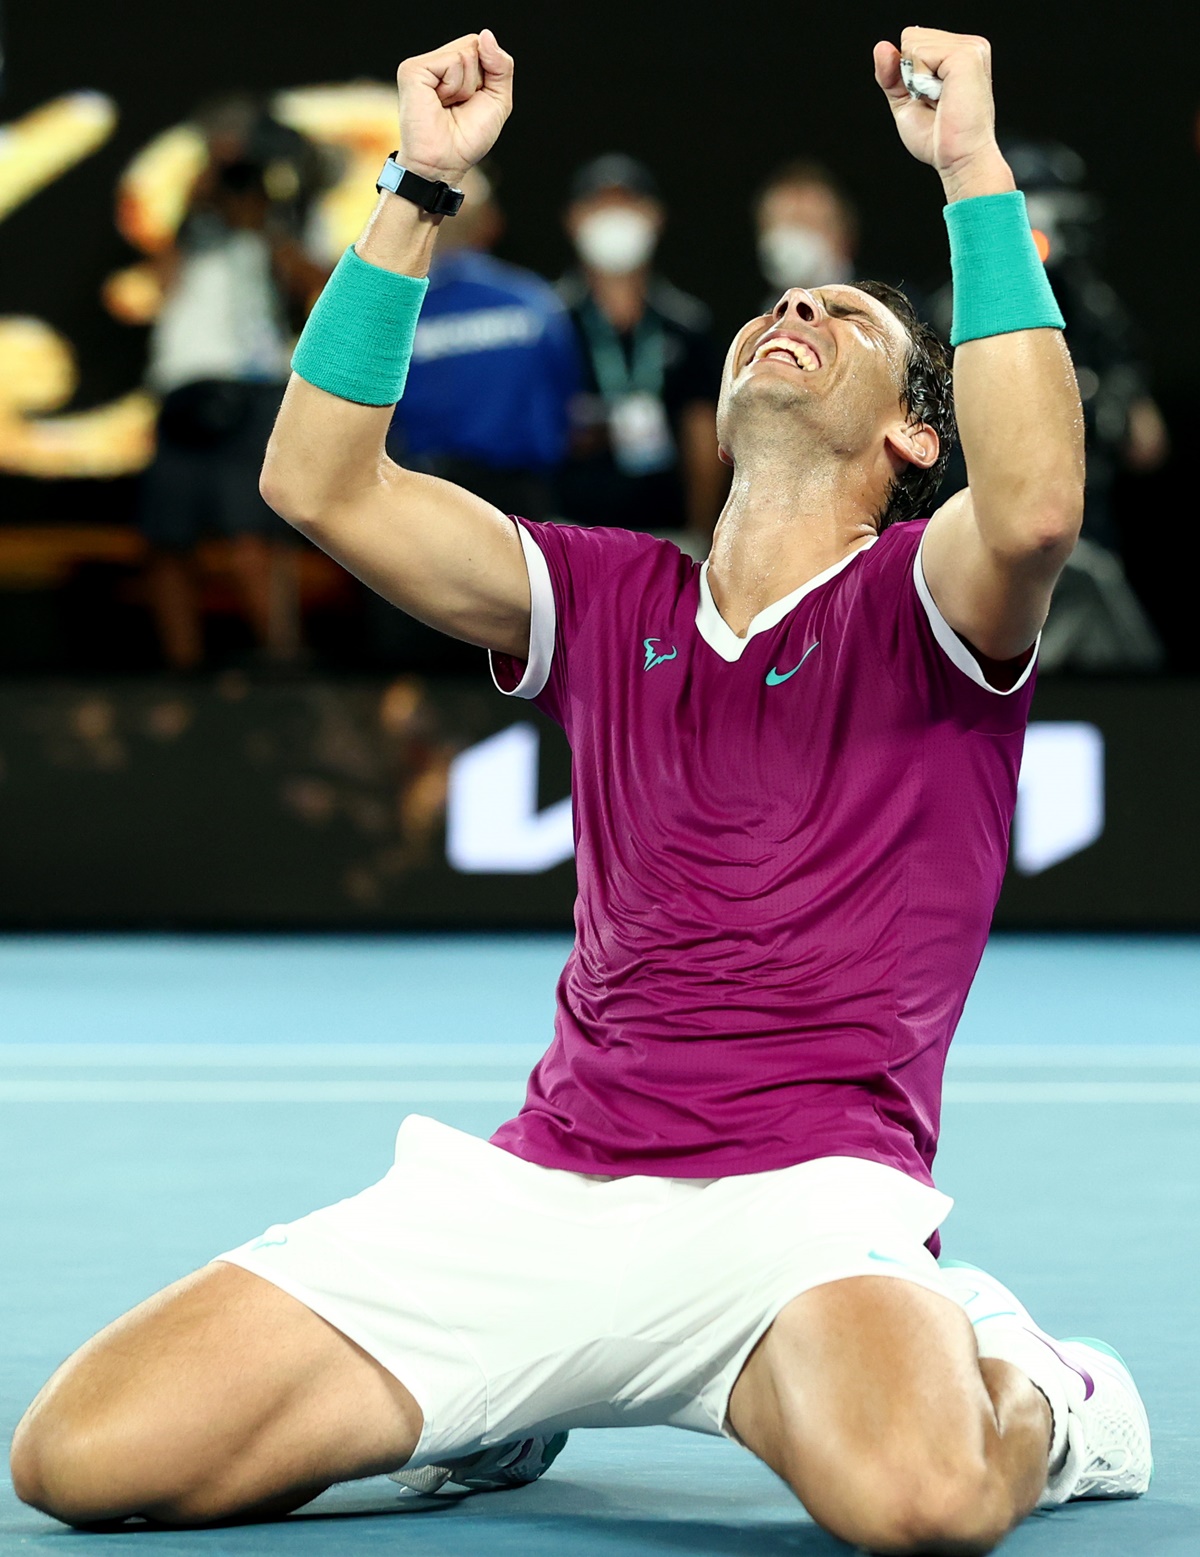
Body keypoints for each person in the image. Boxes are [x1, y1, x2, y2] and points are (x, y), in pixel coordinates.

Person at [12, 28, 1152, 1556]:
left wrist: (970, 171)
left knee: (924, 1503)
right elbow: (319, 486)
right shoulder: (599, 594)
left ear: (910, 437)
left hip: (803, 1207)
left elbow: (1036, 504)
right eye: (781, 301)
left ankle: (1053, 1393)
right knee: (79, 1458)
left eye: (849, 316)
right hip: (541, 1193)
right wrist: (418, 185)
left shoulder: (925, 598)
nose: (795, 304)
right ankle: (488, 1407)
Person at [930, 137, 1166, 672]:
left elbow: (1146, 443)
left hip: (1083, 544)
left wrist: (1102, 403)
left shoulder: (1095, 310)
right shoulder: (961, 303)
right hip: (982, 541)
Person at [138, 100, 328, 671]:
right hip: (182, 387)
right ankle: (183, 670)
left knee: (255, 534)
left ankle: (282, 662)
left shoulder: (283, 222)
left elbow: (318, 287)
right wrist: (197, 204)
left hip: (253, 388)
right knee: (167, 539)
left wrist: (264, 228)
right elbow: (159, 281)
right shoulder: (185, 227)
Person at [557, 154, 727, 540]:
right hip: (564, 534)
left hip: (667, 537)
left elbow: (705, 436)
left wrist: (704, 538)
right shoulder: (548, 322)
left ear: (655, 217)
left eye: (627, 205)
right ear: (573, 219)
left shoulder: (687, 325)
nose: (614, 218)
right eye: (600, 205)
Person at [754, 158, 859, 297]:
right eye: (785, 225)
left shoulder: (886, 308)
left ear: (844, 236)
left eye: (807, 223)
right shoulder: (744, 314)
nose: (794, 238)